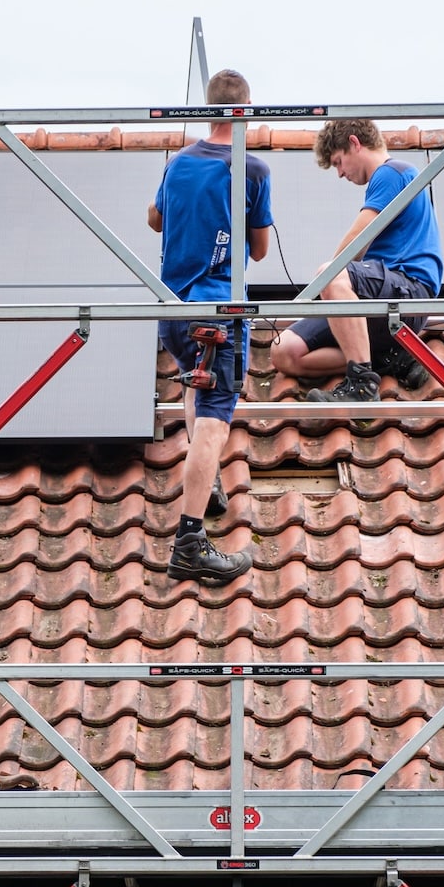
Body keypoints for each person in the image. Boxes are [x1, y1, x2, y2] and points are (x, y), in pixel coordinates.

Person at [146, 69, 272, 584]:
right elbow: (260, 250)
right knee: (216, 420)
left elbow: (154, 219)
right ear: (246, 109)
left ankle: (208, 481)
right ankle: (190, 543)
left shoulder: (179, 163)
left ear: (208, 108)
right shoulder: (252, 169)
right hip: (219, 310)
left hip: (173, 309)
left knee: (194, 386)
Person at [271, 118, 443, 403]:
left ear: (354, 143)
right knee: (284, 351)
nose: (339, 173)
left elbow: (355, 243)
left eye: (338, 162)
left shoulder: (392, 173)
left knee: (332, 273)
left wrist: (321, 290)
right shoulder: (387, 179)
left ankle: (362, 384)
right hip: (375, 300)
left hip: (407, 293)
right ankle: (383, 359)